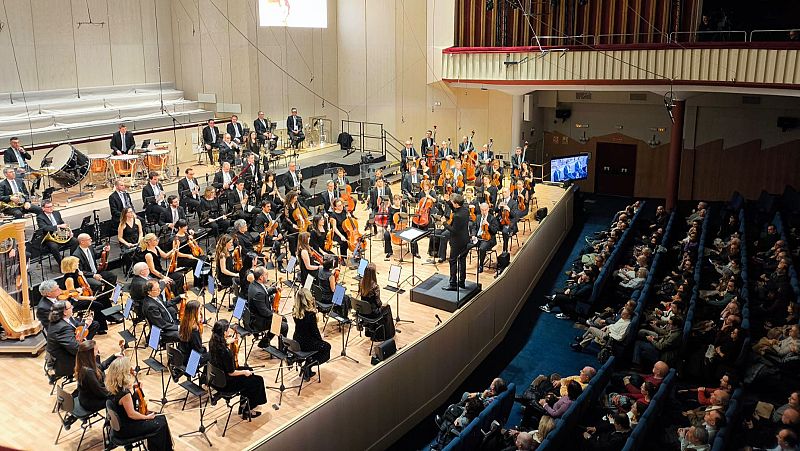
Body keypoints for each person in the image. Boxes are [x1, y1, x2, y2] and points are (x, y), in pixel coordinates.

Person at [105, 357, 174, 450]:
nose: (131, 369)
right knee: (159, 425)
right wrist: (147, 417)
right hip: (127, 428)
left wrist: (134, 388)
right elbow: (132, 414)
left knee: (161, 417)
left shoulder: (113, 387)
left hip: (120, 424)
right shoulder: (125, 394)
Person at [208, 319, 267, 419]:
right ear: (224, 332)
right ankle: (249, 409)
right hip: (227, 383)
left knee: (250, 370)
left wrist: (228, 341)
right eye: (228, 330)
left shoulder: (212, 342)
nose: (229, 331)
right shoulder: (226, 352)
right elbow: (231, 372)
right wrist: (244, 372)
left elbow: (222, 348)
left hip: (217, 379)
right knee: (257, 380)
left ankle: (243, 403)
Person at [59, 256, 108, 333]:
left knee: (104, 297)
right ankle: (100, 328)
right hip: (75, 302)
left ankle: (110, 316)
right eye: (76, 263)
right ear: (71, 265)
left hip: (82, 295)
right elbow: (75, 296)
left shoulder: (76, 272)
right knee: (98, 305)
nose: (78, 264)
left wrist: (82, 275)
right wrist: (90, 298)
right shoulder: (69, 279)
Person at [292, 288, 331, 381]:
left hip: (297, 340)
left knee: (320, 346)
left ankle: (309, 362)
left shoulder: (295, 311)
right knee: (326, 347)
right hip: (307, 342)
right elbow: (314, 332)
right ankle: (308, 365)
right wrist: (321, 340)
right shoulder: (310, 314)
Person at [46, 300, 91, 378]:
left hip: (62, 353)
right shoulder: (63, 327)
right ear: (64, 312)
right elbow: (75, 349)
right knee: (93, 355)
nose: (72, 307)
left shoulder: (61, 319)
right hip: (63, 362)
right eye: (70, 307)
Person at [75, 339, 120, 413]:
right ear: (90, 353)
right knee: (117, 398)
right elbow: (100, 391)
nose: (98, 351)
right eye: (96, 350)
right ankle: (111, 422)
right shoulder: (87, 372)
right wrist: (116, 392)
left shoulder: (85, 362)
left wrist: (114, 356)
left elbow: (100, 367)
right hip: (90, 402)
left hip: (87, 396)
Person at [247, 267, 288, 347]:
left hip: (257, 316)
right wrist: (277, 316)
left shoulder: (254, 284)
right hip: (259, 321)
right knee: (284, 326)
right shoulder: (258, 292)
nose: (267, 276)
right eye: (266, 275)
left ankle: (265, 341)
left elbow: (264, 293)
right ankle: (282, 349)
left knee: (280, 321)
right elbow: (264, 312)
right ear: (261, 277)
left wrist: (274, 289)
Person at [443, 194, 471, 290]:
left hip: (457, 241)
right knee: (462, 260)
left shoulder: (458, 216)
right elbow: (455, 209)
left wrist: (444, 223)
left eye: (452, 202)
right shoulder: (465, 210)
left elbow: (453, 230)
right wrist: (448, 202)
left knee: (453, 261)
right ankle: (462, 281)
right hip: (465, 239)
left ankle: (453, 284)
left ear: (456, 204)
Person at [178, 300, 208, 367]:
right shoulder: (194, 331)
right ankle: (205, 376)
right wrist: (204, 349)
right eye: (199, 310)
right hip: (191, 360)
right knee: (213, 355)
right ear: (195, 312)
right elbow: (198, 350)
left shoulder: (184, 323)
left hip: (183, 355)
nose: (201, 312)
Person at [472, 202, 499, 273]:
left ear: (488, 209)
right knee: (466, 244)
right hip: (478, 237)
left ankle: (481, 265)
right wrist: (473, 235)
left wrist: (488, 225)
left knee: (482, 248)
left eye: (485, 210)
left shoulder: (492, 218)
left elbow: (495, 231)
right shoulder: (478, 217)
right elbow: (474, 227)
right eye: (482, 210)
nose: (484, 211)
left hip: (488, 239)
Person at [117, 207, 143, 273]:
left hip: (137, 241)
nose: (132, 213)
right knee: (128, 253)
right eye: (129, 212)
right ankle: (130, 269)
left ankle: (141, 268)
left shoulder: (137, 221)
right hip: (127, 242)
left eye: (132, 211)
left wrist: (139, 240)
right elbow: (120, 237)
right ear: (125, 214)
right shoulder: (122, 224)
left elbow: (140, 232)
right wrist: (127, 244)